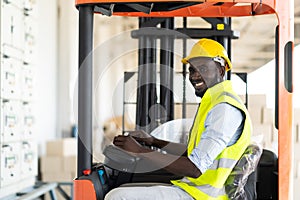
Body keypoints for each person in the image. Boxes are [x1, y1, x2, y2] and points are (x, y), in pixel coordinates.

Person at [104, 38, 252, 200]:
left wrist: (140, 151)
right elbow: (192, 154)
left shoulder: (224, 108)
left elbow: (194, 167)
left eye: (202, 69)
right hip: (195, 189)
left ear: (221, 70)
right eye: (192, 70)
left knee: (117, 196)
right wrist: (154, 141)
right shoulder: (215, 102)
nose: (195, 76)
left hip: (202, 196)